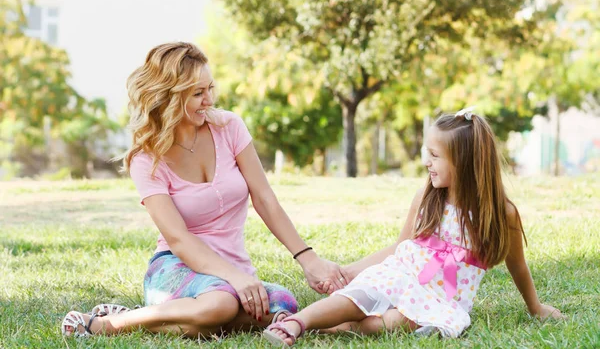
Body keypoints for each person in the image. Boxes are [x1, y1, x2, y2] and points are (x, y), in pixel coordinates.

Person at [61, 42, 350, 338]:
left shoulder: (229, 127)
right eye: (197, 94)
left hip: (231, 272)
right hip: (176, 268)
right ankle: (109, 324)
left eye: (210, 88)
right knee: (221, 304)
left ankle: (186, 319)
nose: (209, 99)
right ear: (169, 97)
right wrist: (235, 278)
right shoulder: (146, 158)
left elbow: (265, 199)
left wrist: (308, 259)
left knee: (282, 304)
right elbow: (178, 238)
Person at [264, 107, 565, 346]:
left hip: (440, 299)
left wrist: (535, 307)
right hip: (401, 273)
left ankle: (326, 325)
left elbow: (518, 266)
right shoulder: (428, 196)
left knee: (388, 323)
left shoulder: (502, 214)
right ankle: (295, 322)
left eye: (435, 156)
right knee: (363, 297)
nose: (426, 162)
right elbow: (400, 246)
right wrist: (348, 271)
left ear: (464, 162)